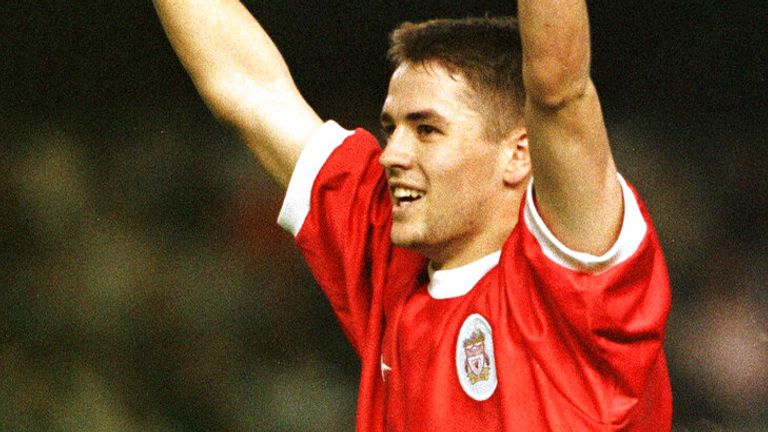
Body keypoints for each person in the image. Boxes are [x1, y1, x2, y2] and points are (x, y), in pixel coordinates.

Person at [154, 1, 672, 430]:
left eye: (426, 130)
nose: (391, 154)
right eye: (391, 127)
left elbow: (559, 88)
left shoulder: (579, 281)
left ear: (519, 152)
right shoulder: (388, 248)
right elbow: (247, 86)